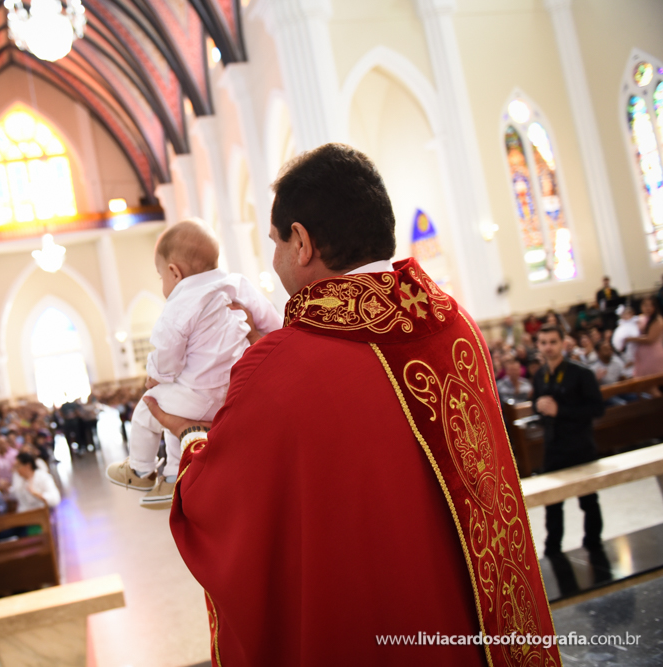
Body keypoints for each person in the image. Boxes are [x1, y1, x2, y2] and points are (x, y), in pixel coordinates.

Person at [143, 143, 560, 665]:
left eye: (275, 242)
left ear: (301, 243)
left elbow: (219, 507)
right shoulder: (456, 325)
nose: (274, 261)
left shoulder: (275, 368)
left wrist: (189, 434)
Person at [106, 219, 281, 509]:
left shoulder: (179, 304)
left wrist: (155, 376)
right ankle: (173, 477)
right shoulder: (238, 284)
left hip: (198, 394)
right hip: (236, 392)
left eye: (161, 277)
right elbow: (273, 326)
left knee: (148, 408)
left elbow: (167, 355)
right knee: (176, 415)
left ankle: (139, 470)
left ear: (174, 272)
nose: (163, 284)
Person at [532, 325, 606, 556]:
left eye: (553, 342)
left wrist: (560, 411)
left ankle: (593, 543)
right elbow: (540, 409)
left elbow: (597, 409)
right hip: (553, 447)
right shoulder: (540, 375)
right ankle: (553, 548)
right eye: (544, 342)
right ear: (538, 346)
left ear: (563, 343)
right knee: (553, 502)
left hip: (579, 446)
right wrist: (538, 408)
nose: (548, 347)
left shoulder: (581, 373)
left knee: (588, 500)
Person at [623, 297, 663, 384]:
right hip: (641, 355)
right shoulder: (640, 318)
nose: (648, 308)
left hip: (653, 354)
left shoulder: (658, 320)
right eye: (645, 305)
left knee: (651, 384)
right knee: (641, 383)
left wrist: (631, 339)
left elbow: (650, 339)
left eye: (651, 306)